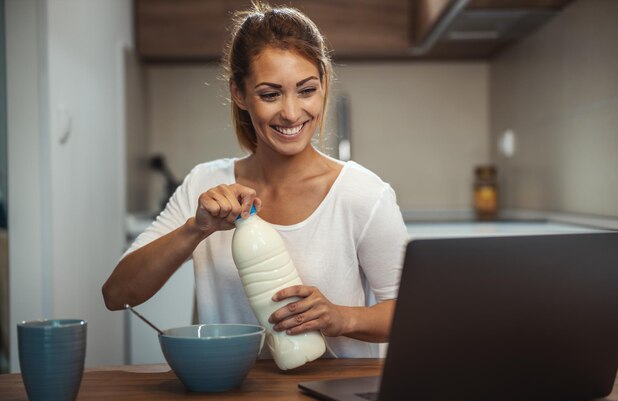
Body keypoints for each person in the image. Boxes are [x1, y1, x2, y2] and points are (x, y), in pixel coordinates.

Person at [102, 2, 408, 359]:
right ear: (239, 93)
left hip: (331, 397)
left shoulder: (363, 195)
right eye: (270, 94)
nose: (292, 112)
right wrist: (194, 230)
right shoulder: (205, 184)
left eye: (306, 90)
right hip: (226, 392)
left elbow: (416, 312)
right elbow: (117, 295)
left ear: (324, 84)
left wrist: (342, 317)